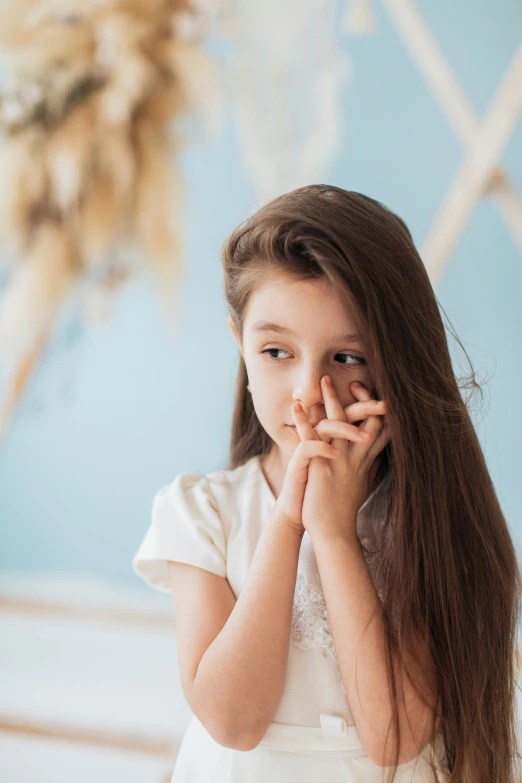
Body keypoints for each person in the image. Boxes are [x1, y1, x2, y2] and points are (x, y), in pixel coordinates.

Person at [132, 185, 522, 783]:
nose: (309, 392)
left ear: (395, 359)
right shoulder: (202, 513)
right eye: (276, 351)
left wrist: (335, 533)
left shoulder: (419, 516)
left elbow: (395, 738)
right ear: (240, 342)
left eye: (346, 358)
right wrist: (289, 519)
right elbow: (234, 722)